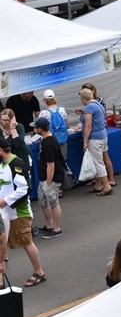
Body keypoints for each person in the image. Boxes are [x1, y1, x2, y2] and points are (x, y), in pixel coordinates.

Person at [0, 137, 46, 287]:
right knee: (3, 244)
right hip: (4, 213)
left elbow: (24, 189)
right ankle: (1, 278)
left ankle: (39, 272)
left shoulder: (17, 163)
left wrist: (5, 200)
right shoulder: (2, 165)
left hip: (18, 212)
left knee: (26, 242)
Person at [80, 83, 116, 187]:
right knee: (103, 158)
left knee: (98, 162)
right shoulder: (98, 104)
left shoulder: (89, 108)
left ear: (83, 98)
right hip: (102, 134)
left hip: (95, 138)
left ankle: (106, 185)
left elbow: (88, 126)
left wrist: (85, 141)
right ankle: (100, 184)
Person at [33, 118, 64, 239]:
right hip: (44, 178)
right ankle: (49, 225)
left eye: (36, 127)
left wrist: (48, 182)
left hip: (51, 178)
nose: (34, 129)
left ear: (40, 129)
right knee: (43, 201)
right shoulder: (45, 140)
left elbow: (51, 165)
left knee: (53, 202)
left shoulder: (49, 143)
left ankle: (57, 228)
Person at [35, 89, 68, 159]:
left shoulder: (44, 113)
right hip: (62, 140)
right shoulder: (62, 110)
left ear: (44, 100)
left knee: (51, 161)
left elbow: (38, 128)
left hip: (49, 142)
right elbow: (66, 124)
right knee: (63, 160)